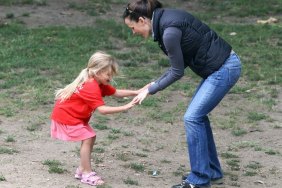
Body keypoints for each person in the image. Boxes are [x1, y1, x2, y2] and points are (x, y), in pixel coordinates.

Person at [122, 1, 242, 188]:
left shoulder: (168, 31)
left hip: (223, 69)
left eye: (132, 27)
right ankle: (211, 171)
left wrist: (151, 90)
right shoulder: (166, 20)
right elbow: (179, 63)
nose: (133, 32)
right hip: (220, 67)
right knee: (197, 117)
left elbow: (177, 71)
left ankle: (199, 180)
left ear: (142, 20)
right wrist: (153, 84)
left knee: (192, 118)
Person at [50, 51, 146, 186]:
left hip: (72, 116)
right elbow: (103, 110)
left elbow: (116, 92)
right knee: (88, 137)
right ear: (97, 71)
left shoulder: (98, 82)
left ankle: (82, 168)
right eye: (108, 74)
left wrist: (137, 91)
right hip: (66, 117)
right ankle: (86, 174)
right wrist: (125, 107)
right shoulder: (91, 86)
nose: (111, 77)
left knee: (90, 137)